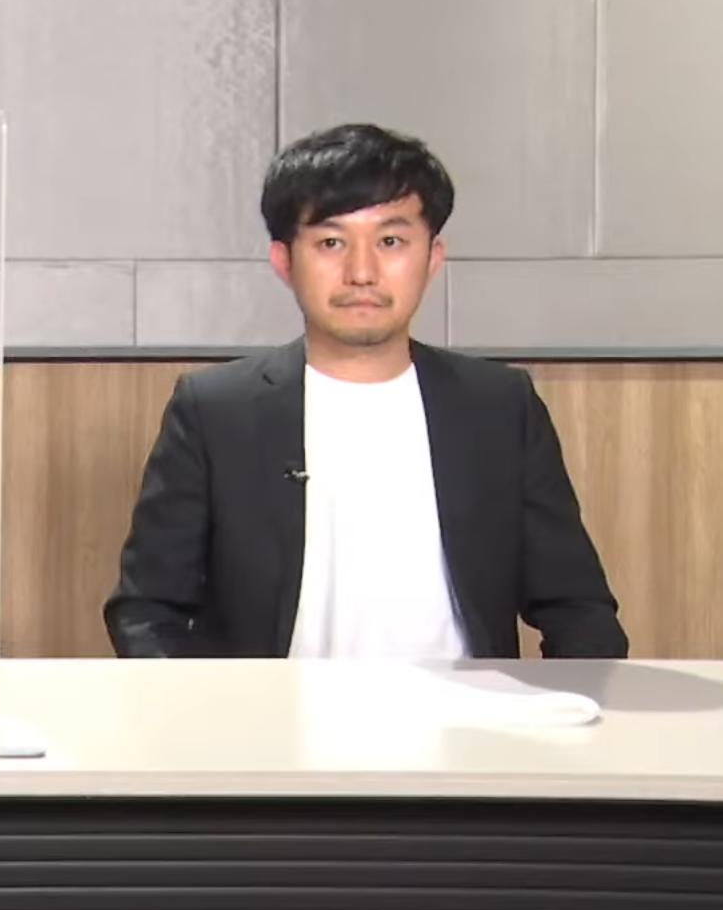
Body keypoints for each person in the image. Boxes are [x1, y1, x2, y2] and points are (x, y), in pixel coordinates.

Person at [105, 123, 625, 659]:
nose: (361, 272)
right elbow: (147, 611)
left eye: (391, 242)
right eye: (331, 242)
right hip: (275, 713)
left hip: (468, 712)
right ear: (284, 261)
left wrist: (569, 707)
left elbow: (578, 609)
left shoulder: (498, 406)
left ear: (433, 256)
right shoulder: (216, 411)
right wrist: (215, 709)